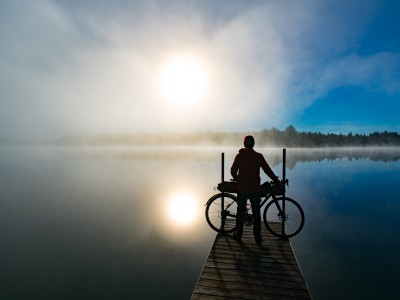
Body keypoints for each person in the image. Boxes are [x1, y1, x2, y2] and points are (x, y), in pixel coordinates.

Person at [230, 135, 279, 244]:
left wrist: (237, 179)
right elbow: (267, 170)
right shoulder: (258, 156)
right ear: (253, 144)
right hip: (254, 189)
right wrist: (276, 180)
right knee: (256, 213)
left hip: (242, 188)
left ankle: (239, 235)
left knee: (240, 212)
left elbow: (233, 170)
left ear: (244, 144)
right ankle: (257, 237)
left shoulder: (239, 156)